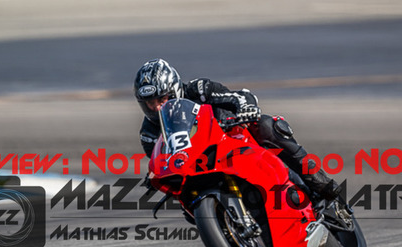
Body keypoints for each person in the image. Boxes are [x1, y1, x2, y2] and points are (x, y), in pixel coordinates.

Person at [133, 58, 341, 201]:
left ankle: (320, 183)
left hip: (232, 140)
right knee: (183, 200)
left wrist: (246, 108)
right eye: (150, 103)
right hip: (200, 167)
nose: (157, 107)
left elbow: (239, 96)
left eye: (162, 99)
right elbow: (164, 161)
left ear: (175, 90)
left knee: (267, 126)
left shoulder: (198, 90)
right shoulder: (149, 134)